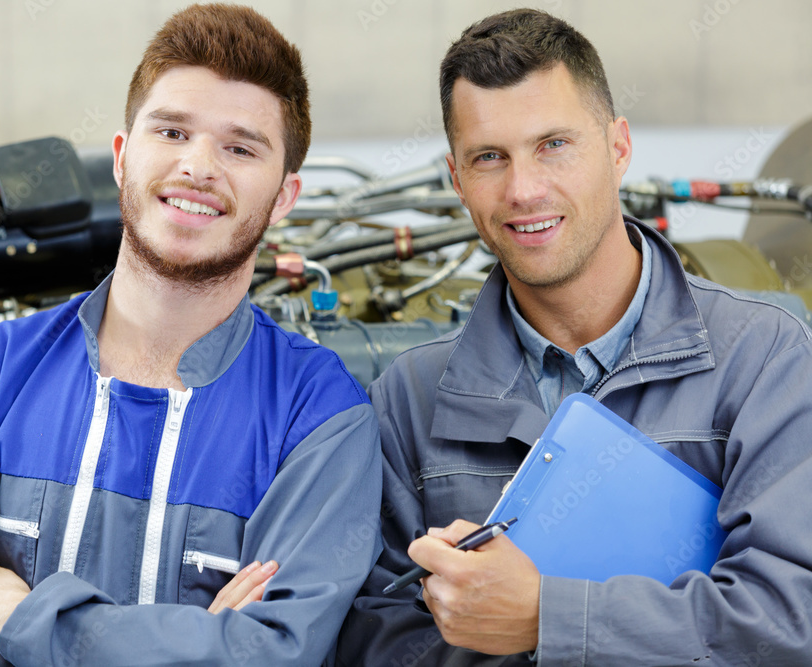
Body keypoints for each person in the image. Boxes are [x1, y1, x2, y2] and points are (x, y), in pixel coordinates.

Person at [0, 4, 382, 665]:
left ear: (284, 196)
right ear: (121, 155)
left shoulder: (319, 419)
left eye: (240, 147)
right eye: (171, 131)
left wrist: (22, 617)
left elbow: (272, 655)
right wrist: (200, 644)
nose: (198, 166)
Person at [336, 8, 812, 666]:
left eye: (554, 144)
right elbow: (375, 637)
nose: (524, 189)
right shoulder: (409, 401)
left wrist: (546, 617)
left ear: (618, 148)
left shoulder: (765, 358)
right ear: (457, 180)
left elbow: (789, 621)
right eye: (489, 158)